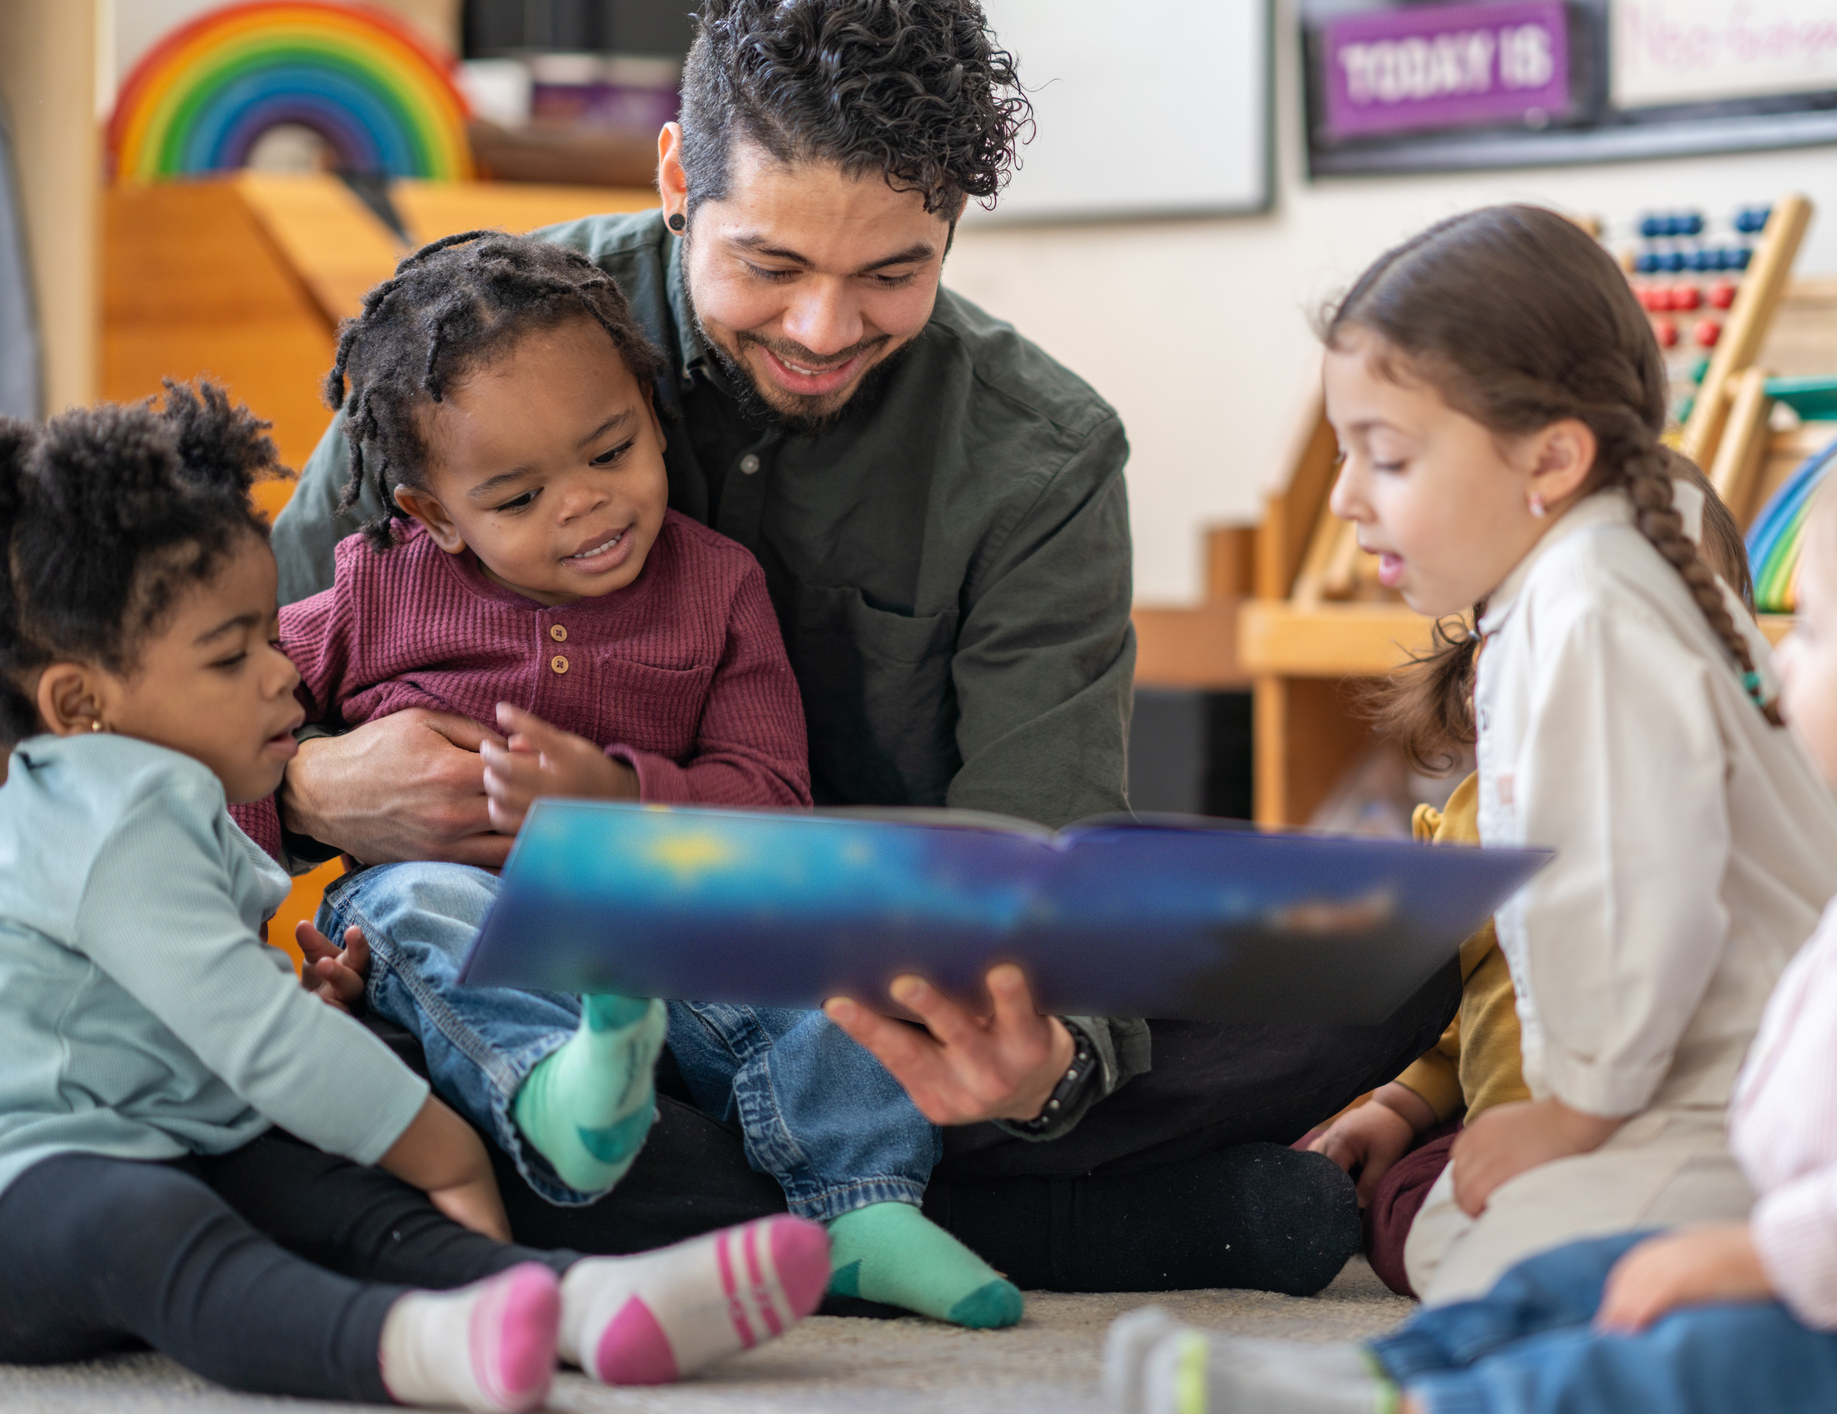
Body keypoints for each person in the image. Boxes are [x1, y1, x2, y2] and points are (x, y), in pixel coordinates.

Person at [266, 0, 1463, 1291]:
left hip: (867, 1002)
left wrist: (1039, 1063)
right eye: (769, 267)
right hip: (535, 989)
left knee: (1373, 955)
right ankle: (1002, 1219)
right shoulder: (471, 349)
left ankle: (765, 1192)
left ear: (950, 226)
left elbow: (1043, 854)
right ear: (678, 177)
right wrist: (313, 783)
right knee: (375, 1033)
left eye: (893, 273)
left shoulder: (1040, 454)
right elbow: (203, 699)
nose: (824, 329)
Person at [1105, 411, 1837, 1414]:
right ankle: (1386, 1372)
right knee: (1583, 1279)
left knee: (1674, 1366)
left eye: (1810, 630)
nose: (1782, 663)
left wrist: (1769, 1251)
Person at [0, 387, 829, 1408]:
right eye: (232, 656)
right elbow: (257, 1043)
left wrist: (311, 995)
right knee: (151, 1224)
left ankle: (578, 1300)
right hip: (31, 1189)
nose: (282, 681)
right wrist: (444, 1154)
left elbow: (188, 1009)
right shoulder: (110, 810)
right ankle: (415, 1343)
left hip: (177, 1134)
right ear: (81, 702)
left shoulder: (149, 792)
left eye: (270, 637)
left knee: (324, 1182)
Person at [259, 229, 1020, 1328]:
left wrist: (622, 802)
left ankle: (863, 1204)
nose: (584, 506)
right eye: (517, 499)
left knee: (815, 959)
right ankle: (559, 1097)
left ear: (651, 418)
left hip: (667, 899)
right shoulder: (372, 590)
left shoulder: (716, 586)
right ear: (435, 515)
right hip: (454, 906)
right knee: (424, 905)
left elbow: (771, 799)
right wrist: (285, 829)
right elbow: (221, 737)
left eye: (611, 453)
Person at [1238, 204, 1837, 1307]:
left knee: (1471, 1255)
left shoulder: (1591, 605)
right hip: (1738, 1085)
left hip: (1747, 1100)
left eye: (1385, 458)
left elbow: (1629, 891)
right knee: (1454, 1227)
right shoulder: (1612, 550)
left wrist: (1574, 1110)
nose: (1344, 499)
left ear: (1554, 458)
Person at [1307, 465, 1762, 1297]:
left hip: (1686, 1132)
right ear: (1483, 667)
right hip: (1499, 1129)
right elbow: (1441, 1018)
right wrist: (1397, 1107)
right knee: (1397, 1187)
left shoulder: (1725, 809)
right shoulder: (1482, 821)